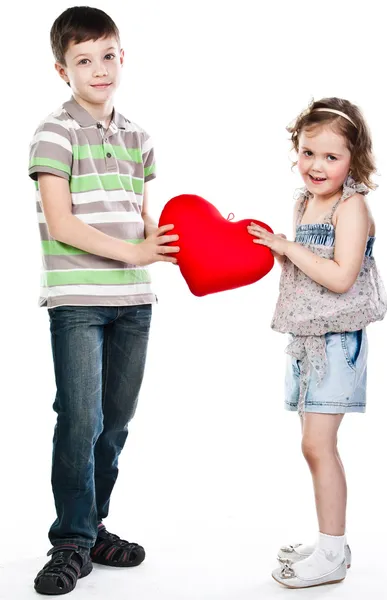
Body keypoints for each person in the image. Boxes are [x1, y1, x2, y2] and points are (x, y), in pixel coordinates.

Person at [28, 6, 179, 595]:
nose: (99, 69)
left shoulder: (138, 136)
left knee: (115, 422)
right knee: (80, 419)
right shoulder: (54, 131)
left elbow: (142, 218)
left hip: (134, 302)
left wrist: (186, 245)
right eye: (83, 59)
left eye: (108, 55)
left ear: (123, 57)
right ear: (61, 68)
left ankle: (93, 525)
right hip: (79, 300)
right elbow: (62, 223)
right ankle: (70, 541)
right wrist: (135, 254)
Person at [248, 97, 387, 589]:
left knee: (317, 444)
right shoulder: (305, 201)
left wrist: (290, 248)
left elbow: (342, 276)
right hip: (308, 340)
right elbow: (307, 269)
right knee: (312, 445)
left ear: (355, 158)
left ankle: (332, 551)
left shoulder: (351, 207)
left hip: (336, 342)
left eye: (332, 157)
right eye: (308, 153)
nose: (317, 165)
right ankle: (332, 543)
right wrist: (273, 245)